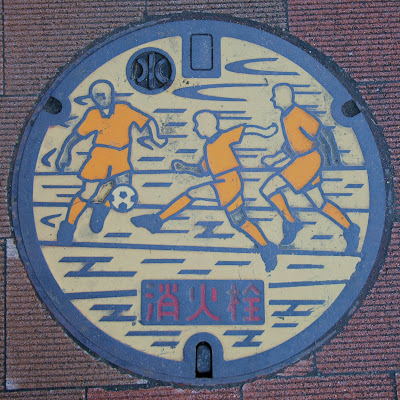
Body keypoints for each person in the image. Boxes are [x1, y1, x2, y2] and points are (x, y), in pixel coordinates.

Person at [131, 110, 280, 271]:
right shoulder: (209, 146)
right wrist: (185, 167)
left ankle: (157, 220)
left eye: (197, 125)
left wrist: (266, 132)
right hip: (226, 183)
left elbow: (246, 129)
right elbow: (202, 170)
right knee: (240, 221)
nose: (195, 128)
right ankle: (266, 246)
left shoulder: (223, 137)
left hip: (228, 182)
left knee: (194, 194)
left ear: (207, 125)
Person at [56, 79, 166, 243]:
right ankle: (69, 225)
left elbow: (146, 120)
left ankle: (101, 207)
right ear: (94, 99)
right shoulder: (93, 114)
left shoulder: (123, 110)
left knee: (120, 189)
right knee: (87, 193)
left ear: (111, 94)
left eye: (104, 95)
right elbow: (77, 136)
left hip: (121, 158)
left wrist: (156, 137)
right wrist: (65, 152)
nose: (101, 99)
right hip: (100, 156)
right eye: (97, 96)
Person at [260, 83, 360, 252]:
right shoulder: (285, 116)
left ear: (285, 97)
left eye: (275, 96)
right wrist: (275, 159)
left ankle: (291, 222)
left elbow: (323, 133)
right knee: (320, 203)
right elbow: (293, 144)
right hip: (304, 160)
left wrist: (334, 161)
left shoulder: (298, 114)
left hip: (308, 161)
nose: (273, 99)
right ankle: (350, 228)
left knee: (269, 188)